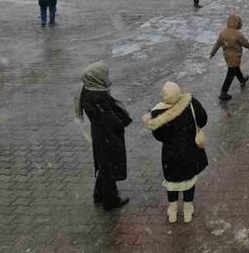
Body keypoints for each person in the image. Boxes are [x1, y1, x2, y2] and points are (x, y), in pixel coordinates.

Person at [142, 81, 208, 224]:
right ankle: (187, 210)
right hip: (189, 150)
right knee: (188, 180)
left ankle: (172, 211)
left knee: (172, 181)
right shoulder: (190, 103)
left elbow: (159, 136)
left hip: (170, 154)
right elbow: (203, 119)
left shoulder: (157, 112)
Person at [75, 62, 131, 210]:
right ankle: (111, 200)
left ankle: (99, 194)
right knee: (109, 167)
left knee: (104, 164)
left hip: (100, 133)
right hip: (107, 136)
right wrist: (121, 122)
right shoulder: (97, 97)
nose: (107, 78)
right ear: (97, 77)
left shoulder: (88, 90)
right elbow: (109, 119)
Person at [209, 13, 249, 101]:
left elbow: (217, 44)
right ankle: (223, 92)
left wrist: (212, 53)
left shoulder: (223, 33)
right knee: (231, 74)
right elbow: (245, 43)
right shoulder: (238, 34)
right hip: (235, 56)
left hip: (227, 56)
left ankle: (242, 80)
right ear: (238, 23)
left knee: (235, 68)